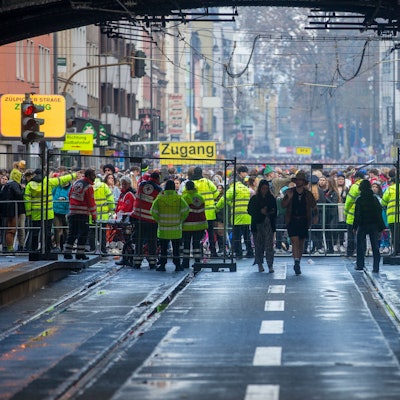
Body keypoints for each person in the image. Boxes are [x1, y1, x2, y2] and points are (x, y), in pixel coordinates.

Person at [24, 168, 77, 253]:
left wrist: (28, 213)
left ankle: (34, 248)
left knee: (35, 231)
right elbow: (62, 179)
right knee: (47, 232)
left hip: (35, 213)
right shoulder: (49, 182)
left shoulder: (30, 185)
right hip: (48, 213)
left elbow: (27, 200)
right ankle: (47, 248)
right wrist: (74, 175)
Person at [281, 171, 318, 275]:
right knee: (295, 241)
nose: (298, 182)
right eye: (297, 180)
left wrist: (316, 216)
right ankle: (296, 261)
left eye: (300, 180)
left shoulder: (308, 194)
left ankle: (298, 260)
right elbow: (283, 205)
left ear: (303, 181)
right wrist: (289, 197)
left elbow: (314, 206)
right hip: (292, 219)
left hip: (304, 220)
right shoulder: (290, 192)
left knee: (301, 242)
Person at [150, 179, 189, 272]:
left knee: (163, 249)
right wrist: (180, 220)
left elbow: (153, 211)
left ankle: (162, 265)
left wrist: (158, 220)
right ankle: (177, 265)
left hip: (163, 228)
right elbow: (186, 210)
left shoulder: (159, 199)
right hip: (176, 228)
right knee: (176, 249)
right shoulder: (179, 199)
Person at [216, 170, 253, 259]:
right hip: (247, 216)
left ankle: (239, 253)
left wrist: (216, 208)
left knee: (237, 237)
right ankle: (250, 252)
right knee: (247, 236)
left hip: (237, 217)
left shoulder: (232, 189)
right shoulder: (245, 188)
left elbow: (223, 200)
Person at [131, 171, 162, 269]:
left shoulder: (141, 185)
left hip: (139, 217)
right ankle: (152, 262)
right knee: (152, 241)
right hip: (151, 219)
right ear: (157, 179)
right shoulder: (159, 189)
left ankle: (137, 262)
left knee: (139, 241)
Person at [353, 179, 386, 273]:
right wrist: (381, 226)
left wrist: (354, 227)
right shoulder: (374, 198)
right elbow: (378, 212)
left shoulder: (359, 199)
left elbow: (357, 214)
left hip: (362, 225)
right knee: (375, 246)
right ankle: (376, 267)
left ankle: (360, 265)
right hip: (374, 225)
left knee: (360, 246)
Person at [64, 169, 96, 260]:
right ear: (89, 175)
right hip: (82, 214)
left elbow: (70, 195)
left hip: (72, 213)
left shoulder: (76, 183)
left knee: (72, 233)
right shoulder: (88, 187)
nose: (95, 177)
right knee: (83, 234)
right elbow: (91, 203)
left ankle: (67, 253)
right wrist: (94, 216)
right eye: (93, 175)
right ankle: (80, 253)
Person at [247, 179, 277, 273]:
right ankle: (260, 264)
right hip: (258, 225)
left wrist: (268, 212)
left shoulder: (271, 198)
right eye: (263, 188)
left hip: (268, 225)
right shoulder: (255, 199)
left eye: (266, 189)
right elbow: (250, 210)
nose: (265, 190)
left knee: (269, 246)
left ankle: (269, 265)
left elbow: (275, 211)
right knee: (259, 246)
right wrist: (261, 212)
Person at [190, 166, 220, 257]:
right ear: (201, 173)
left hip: (198, 212)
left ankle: (199, 252)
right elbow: (216, 193)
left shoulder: (192, 183)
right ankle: (213, 252)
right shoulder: (207, 182)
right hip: (210, 212)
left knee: (198, 233)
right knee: (211, 233)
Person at [181, 180, 208, 268]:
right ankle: (197, 261)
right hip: (200, 224)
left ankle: (185, 262)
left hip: (187, 225)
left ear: (186, 188)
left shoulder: (184, 197)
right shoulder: (200, 197)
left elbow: (182, 212)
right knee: (197, 244)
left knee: (186, 244)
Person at [88, 174, 115, 254]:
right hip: (103, 214)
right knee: (102, 232)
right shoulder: (104, 186)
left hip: (91, 213)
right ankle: (103, 250)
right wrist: (112, 209)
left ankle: (92, 249)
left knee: (92, 232)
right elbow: (110, 199)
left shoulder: (89, 186)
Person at [344, 170, 366, 258]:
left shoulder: (354, 186)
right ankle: (363, 251)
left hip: (352, 215)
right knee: (362, 235)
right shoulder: (367, 186)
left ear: (357, 178)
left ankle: (350, 252)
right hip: (364, 216)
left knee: (351, 235)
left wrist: (345, 211)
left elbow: (349, 200)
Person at [114, 176, 136, 266]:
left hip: (127, 220)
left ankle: (128, 258)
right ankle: (127, 258)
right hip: (123, 219)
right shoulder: (123, 194)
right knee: (126, 240)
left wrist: (119, 215)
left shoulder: (129, 194)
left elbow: (125, 207)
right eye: (122, 184)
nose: (123, 185)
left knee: (127, 240)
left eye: (125, 184)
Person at [4, 168, 25, 252]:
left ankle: (9, 247)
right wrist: (23, 189)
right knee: (12, 230)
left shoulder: (8, 184)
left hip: (10, 210)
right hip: (14, 210)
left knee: (10, 229)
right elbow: (19, 195)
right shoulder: (15, 185)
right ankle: (10, 248)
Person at [52, 174, 72, 252]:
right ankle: (57, 246)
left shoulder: (71, 188)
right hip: (55, 210)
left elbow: (72, 197)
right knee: (57, 229)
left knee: (66, 230)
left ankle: (66, 246)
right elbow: (51, 194)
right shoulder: (56, 186)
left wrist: (65, 198)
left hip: (67, 211)